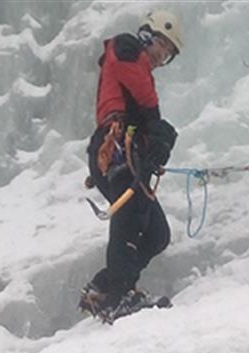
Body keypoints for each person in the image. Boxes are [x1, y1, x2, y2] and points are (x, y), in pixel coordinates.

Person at [79, 10, 183, 322]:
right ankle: (120, 296)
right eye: (162, 49)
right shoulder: (126, 48)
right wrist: (155, 125)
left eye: (167, 56)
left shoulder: (136, 62)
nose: (161, 59)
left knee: (157, 234)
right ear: (150, 36)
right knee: (129, 217)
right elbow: (143, 101)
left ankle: (104, 286)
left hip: (127, 152)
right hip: (116, 146)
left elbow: (146, 114)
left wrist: (154, 141)